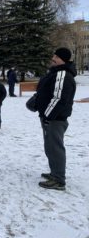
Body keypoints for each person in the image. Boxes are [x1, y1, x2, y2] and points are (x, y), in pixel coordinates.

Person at [36, 47, 76, 191]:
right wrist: (36, 102)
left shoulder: (63, 74)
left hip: (55, 119)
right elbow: (45, 91)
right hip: (50, 118)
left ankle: (59, 180)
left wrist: (47, 116)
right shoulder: (56, 73)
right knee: (50, 147)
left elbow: (59, 99)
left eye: (55, 56)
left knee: (55, 148)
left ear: (61, 59)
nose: (52, 58)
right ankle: (55, 173)